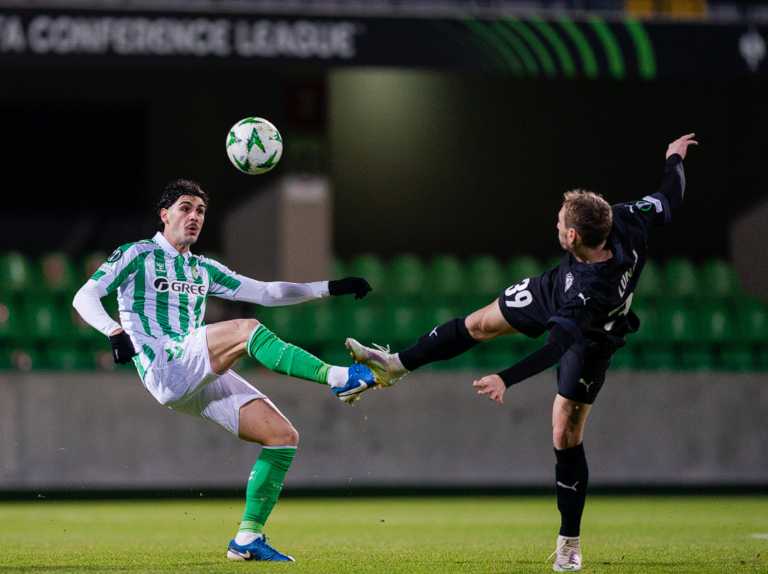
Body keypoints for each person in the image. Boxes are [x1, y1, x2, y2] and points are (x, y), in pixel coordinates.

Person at [345, 134, 696, 572]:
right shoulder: (624, 219)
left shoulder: (592, 291)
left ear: (572, 235)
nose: (555, 223)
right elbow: (670, 197)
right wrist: (673, 158)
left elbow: (554, 347)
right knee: (478, 323)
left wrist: (505, 378)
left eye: (559, 220)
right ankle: (393, 366)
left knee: (565, 428)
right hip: (557, 287)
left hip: (593, 334)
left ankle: (570, 542)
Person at [73, 179, 376, 563]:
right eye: (185, 208)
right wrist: (114, 331)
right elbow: (84, 295)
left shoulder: (202, 269)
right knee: (246, 329)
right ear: (164, 214)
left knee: (282, 436)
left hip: (195, 372)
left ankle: (246, 540)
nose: (194, 216)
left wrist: (329, 287)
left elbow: (267, 292)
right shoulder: (138, 254)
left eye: (200, 211)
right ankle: (340, 378)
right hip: (165, 363)